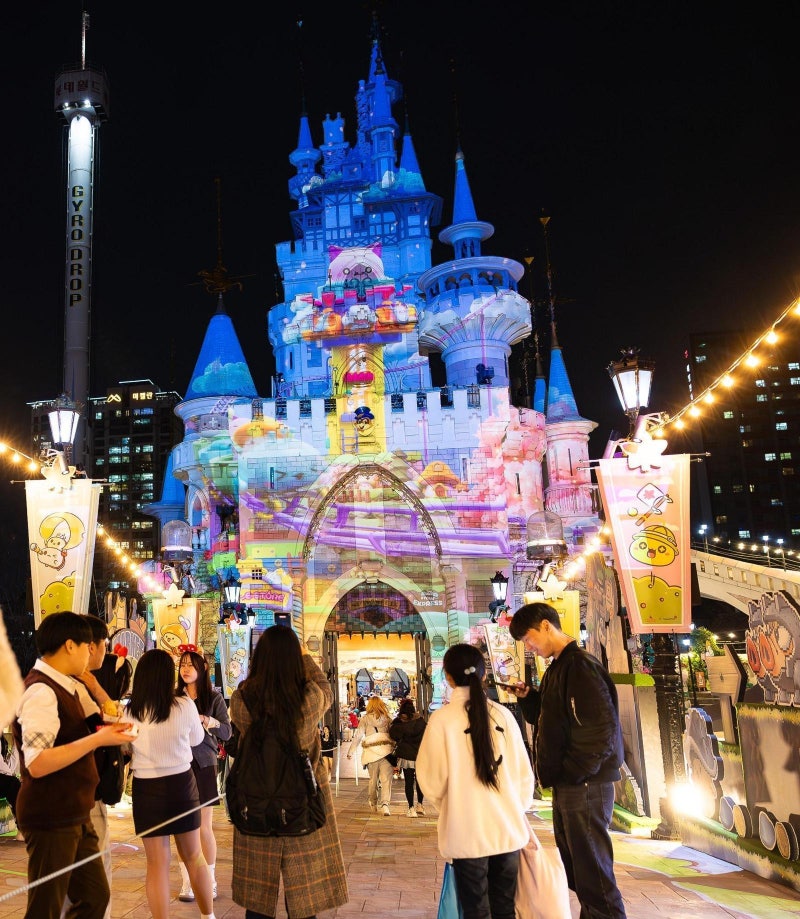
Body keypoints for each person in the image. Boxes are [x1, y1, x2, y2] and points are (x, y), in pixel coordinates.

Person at [12, 611, 135, 919]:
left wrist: (110, 731)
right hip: (51, 814)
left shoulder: (67, 686)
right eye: (87, 646)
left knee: (95, 895)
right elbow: (37, 763)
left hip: (75, 811)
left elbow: (101, 721)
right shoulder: (41, 690)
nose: (91, 653)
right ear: (70, 646)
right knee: (45, 907)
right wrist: (97, 740)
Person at [509, 602, 627, 919]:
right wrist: (529, 698)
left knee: (594, 875)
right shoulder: (558, 669)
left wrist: (574, 773)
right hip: (571, 785)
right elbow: (552, 722)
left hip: (585, 786)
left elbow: (600, 729)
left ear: (547, 625)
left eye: (529, 637)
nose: (529, 646)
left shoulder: (579, 666)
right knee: (580, 872)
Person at [230, 625, 348, 919]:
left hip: (255, 802)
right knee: (304, 896)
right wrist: (306, 657)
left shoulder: (242, 701)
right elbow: (325, 688)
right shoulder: (307, 701)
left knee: (257, 900)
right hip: (303, 802)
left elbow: (244, 701)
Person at [416, 643, 534, 919]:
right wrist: (513, 807)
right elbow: (523, 776)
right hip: (507, 830)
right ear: (483, 675)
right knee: (505, 908)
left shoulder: (442, 720)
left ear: (447, 676)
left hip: (466, 831)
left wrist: (452, 802)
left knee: (475, 910)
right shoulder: (503, 715)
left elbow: (431, 780)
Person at [127, 649, 216, 919]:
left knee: (156, 863)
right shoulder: (184, 704)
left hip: (146, 789)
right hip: (181, 785)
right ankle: (208, 916)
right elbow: (196, 739)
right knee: (193, 856)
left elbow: (125, 746)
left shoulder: (131, 711)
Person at [176, 646, 232, 902]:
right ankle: (188, 881)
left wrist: (207, 720)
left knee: (203, 827)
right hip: (177, 764)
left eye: (191, 664)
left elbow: (227, 733)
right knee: (183, 826)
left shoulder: (214, 699)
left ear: (202, 669)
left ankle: (209, 881)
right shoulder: (174, 697)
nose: (185, 669)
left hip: (204, 762)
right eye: (182, 665)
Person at [347, 695, 394, 815]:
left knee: (373, 780)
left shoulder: (365, 719)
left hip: (371, 753)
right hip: (386, 753)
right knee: (386, 780)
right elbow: (394, 735)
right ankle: (385, 805)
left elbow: (358, 735)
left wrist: (351, 751)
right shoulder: (388, 719)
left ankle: (373, 803)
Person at [388, 698, 427, 817]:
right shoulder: (421, 722)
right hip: (420, 755)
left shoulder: (399, 723)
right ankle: (420, 804)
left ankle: (411, 808)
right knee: (420, 781)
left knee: (409, 782)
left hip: (407, 756)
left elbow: (393, 736)